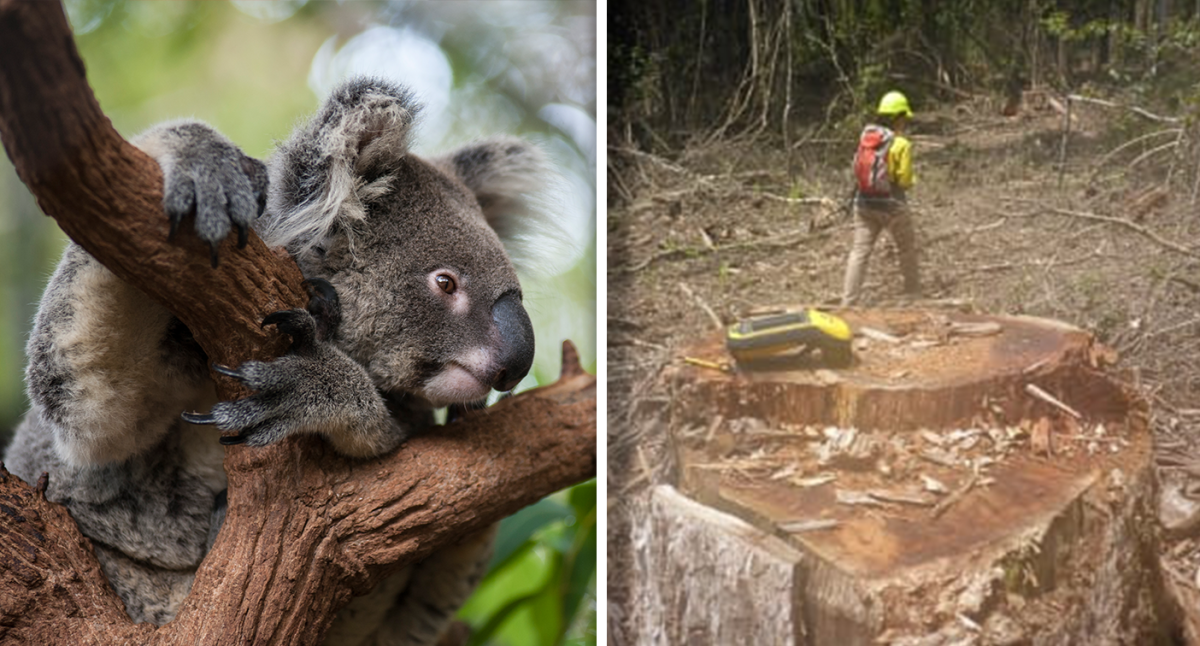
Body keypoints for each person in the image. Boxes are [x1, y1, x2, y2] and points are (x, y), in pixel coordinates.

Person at [841, 90, 919, 306]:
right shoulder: (901, 144)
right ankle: (912, 293)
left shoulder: (867, 137)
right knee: (906, 248)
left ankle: (848, 302)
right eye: (905, 118)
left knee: (859, 252)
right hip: (892, 205)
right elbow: (904, 181)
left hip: (864, 202)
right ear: (899, 117)